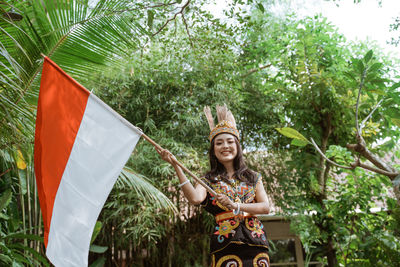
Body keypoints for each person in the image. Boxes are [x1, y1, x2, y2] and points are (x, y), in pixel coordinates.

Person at [158, 105, 270, 267]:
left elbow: (265, 207)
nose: (225, 146)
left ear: (237, 147)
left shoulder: (253, 177)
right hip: (224, 243)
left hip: (255, 242)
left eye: (230, 141)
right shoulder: (207, 179)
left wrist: (235, 205)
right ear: (213, 150)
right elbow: (195, 199)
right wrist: (176, 166)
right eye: (219, 143)